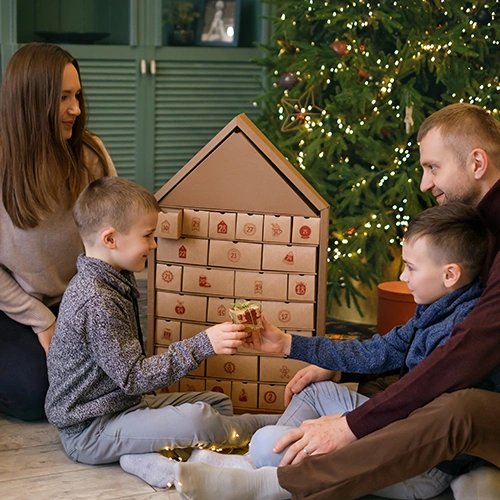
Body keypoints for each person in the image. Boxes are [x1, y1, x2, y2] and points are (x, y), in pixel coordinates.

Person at [173, 202, 498, 499]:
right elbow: (377, 352)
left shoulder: (461, 325)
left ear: (450, 274)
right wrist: (287, 344)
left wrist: (347, 426)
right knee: (312, 390)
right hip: (396, 422)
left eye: (411, 268)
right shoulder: (436, 307)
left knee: (264, 444)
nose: (402, 276)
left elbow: (417, 417)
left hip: (420, 464)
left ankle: (263, 472)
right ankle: (269, 459)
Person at [44, 176, 279, 489]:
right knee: (203, 421)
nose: (154, 244)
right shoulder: (96, 299)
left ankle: (147, 455)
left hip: (123, 407)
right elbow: (134, 377)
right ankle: (280, 425)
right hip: (89, 431)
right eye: (148, 236)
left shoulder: (113, 279)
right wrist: (203, 344)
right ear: (111, 239)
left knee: (218, 405)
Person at [0, 42, 115, 421]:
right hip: (14, 303)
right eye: (64, 97)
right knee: (36, 397)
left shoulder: (90, 155)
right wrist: (42, 321)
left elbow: (110, 242)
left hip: (76, 299)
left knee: (104, 385)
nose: (76, 109)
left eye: (78, 95)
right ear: (31, 101)